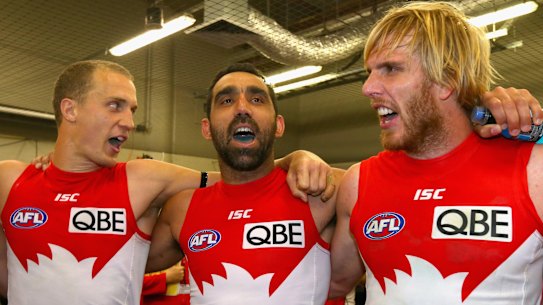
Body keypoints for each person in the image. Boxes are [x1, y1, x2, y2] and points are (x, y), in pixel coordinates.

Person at [0, 60, 336, 305]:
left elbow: (238, 177)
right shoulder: (10, 179)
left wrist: (295, 159)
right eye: (116, 106)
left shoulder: (145, 179)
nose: (130, 122)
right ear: (69, 110)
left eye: (132, 109)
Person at [329, 2, 543, 304]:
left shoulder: (534, 172)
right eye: (370, 72)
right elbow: (327, 286)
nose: (367, 87)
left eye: (390, 68)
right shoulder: (358, 183)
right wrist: (290, 162)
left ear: (447, 80)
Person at [146, 63, 345, 305]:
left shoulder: (322, 188)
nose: (242, 108)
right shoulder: (181, 209)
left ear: (279, 125)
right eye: (226, 101)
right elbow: (122, 265)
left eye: (257, 99)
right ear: (207, 129)